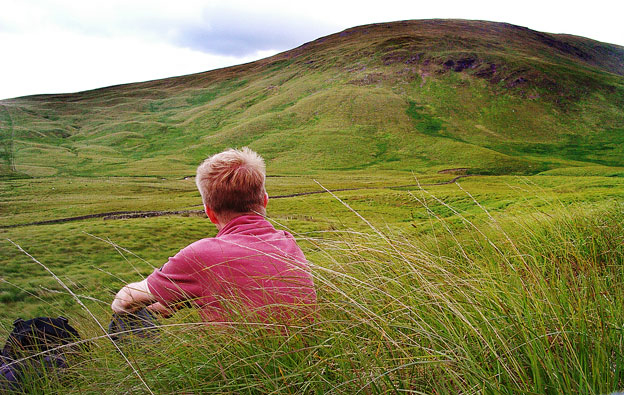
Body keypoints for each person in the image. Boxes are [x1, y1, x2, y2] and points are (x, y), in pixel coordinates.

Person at [111, 147, 316, 323]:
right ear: (265, 201)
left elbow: (124, 301)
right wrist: (179, 299)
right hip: (302, 361)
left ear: (209, 212)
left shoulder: (203, 255)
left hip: (235, 366)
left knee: (123, 320)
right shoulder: (287, 242)